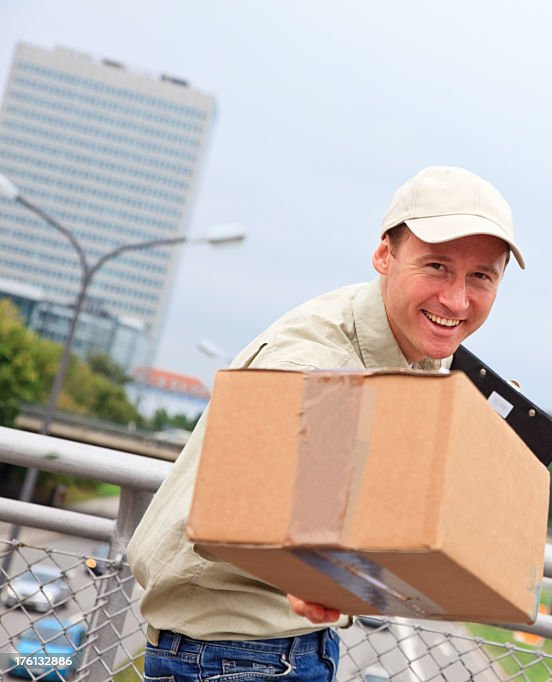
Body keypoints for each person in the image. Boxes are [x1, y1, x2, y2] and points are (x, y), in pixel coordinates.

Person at [126, 165, 525, 681]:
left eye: (481, 277)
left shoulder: (401, 347)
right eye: (436, 267)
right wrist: (309, 576)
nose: (456, 300)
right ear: (385, 255)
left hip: (267, 648)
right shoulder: (321, 368)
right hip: (241, 657)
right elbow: (273, 512)